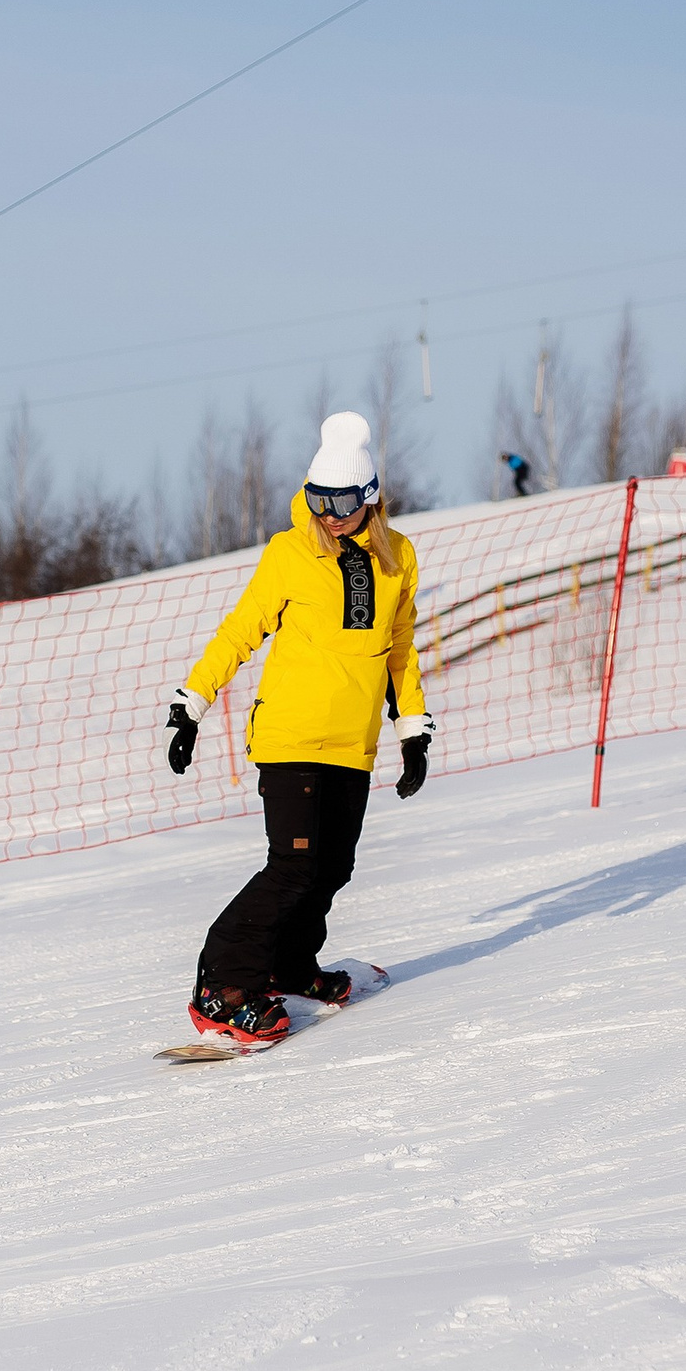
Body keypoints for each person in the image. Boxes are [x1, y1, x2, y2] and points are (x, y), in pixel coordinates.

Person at [164, 412, 432, 1044]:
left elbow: (400, 648)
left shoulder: (399, 557)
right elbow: (241, 630)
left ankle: (289, 964)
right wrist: (191, 704)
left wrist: (412, 729)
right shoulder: (289, 553)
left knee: (333, 867)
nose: (329, 515)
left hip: (352, 742)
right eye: (318, 499)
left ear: (369, 497)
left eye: (342, 501)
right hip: (291, 735)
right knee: (292, 867)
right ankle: (224, 983)